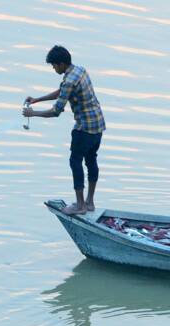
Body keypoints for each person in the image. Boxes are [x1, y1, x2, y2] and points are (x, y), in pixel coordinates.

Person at [23, 45, 106, 215]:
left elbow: (56, 111)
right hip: (98, 125)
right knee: (91, 161)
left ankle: (80, 206)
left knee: (75, 162)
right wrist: (37, 99)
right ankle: (89, 203)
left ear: (61, 64)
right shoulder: (79, 70)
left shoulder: (69, 80)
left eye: (54, 65)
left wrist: (33, 113)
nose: (53, 68)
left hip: (84, 128)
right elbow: (62, 92)